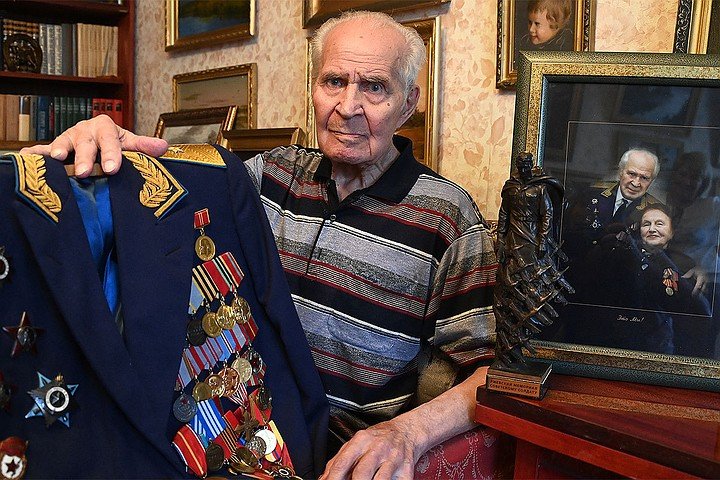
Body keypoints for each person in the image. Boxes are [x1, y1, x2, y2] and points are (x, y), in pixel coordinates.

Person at [23, 11, 498, 479]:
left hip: (339, 457)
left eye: (374, 87)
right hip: (229, 432)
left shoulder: (447, 214)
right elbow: (160, 198)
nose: (347, 106)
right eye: (334, 81)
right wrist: (100, 139)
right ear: (313, 88)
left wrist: (406, 433)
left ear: (408, 103)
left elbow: (492, 372)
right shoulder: (269, 176)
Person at [569, 204, 711, 354]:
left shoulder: (685, 264)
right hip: (613, 339)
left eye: (659, 224)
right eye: (646, 224)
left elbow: (696, 310)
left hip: (656, 344)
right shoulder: (622, 252)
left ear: (671, 232)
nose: (652, 229)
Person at [494, 153, 572, 364]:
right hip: (513, 236)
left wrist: (543, 241)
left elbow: (547, 215)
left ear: (531, 165)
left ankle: (526, 321)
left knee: (531, 279)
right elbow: (504, 214)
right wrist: (500, 239)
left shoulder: (540, 188)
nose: (524, 168)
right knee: (510, 280)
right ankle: (509, 344)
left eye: (527, 164)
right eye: (521, 165)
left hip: (531, 237)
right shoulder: (510, 187)